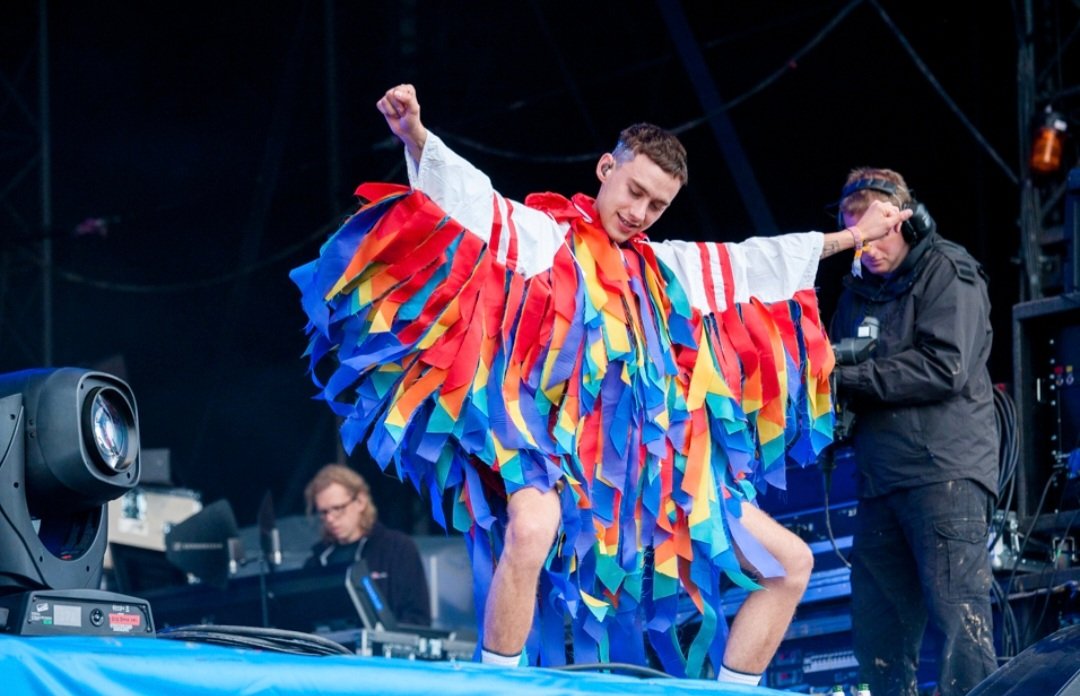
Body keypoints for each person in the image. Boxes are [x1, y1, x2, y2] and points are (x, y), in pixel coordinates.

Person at [291, 83, 909, 682]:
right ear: (606, 167)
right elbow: (473, 203)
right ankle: (496, 683)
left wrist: (857, 236)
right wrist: (416, 136)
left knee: (791, 565)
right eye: (633, 191)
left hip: (643, 483)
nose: (639, 213)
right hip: (548, 457)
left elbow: (760, 259)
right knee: (531, 526)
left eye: (657, 205)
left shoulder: (668, 269)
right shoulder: (546, 238)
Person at [830, 169, 998, 696]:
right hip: (880, 482)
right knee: (878, 634)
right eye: (857, 241)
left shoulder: (949, 270)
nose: (868, 252)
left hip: (942, 476)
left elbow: (944, 366)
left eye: (876, 237)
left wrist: (850, 375)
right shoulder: (856, 291)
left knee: (958, 625)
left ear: (905, 221)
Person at [303, 463, 432, 627]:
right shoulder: (316, 560)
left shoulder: (397, 548)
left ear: (360, 501)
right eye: (324, 512)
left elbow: (418, 619)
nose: (330, 518)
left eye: (338, 508)